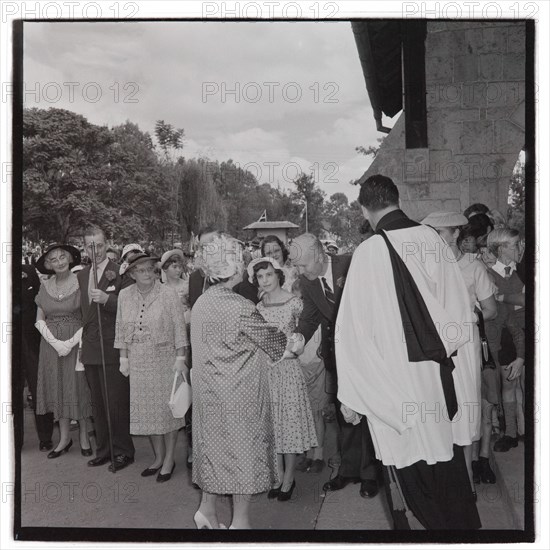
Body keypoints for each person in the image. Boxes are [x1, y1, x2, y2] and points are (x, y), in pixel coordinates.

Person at [335, 175, 481, 530]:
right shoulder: (432, 241)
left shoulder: (370, 251)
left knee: (407, 469)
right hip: (435, 374)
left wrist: (353, 395)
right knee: (443, 460)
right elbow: (461, 316)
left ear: (364, 208)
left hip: (392, 384)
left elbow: (353, 331)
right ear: (398, 200)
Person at [191, 234, 300, 529]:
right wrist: (297, 342)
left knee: (213, 451)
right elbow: (278, 346)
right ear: (232, 269)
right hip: (239, 394)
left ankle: (207, 510)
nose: (244, 267)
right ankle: (240, 523)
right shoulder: (240, 306)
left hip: (207, 394)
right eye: (240, 261)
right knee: (243, 456)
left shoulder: (201, 303)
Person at [290, 233, 379, 499]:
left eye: (304, 265)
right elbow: (310, 317)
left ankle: (371, 475)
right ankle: (348, 469)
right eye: (296, 266)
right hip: (339, 357)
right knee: (345, 414)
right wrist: (298, 338)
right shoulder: (308, 282)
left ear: (320, 256)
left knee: (368, 414)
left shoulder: (351, 264)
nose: (300, 271)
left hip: (369, 354)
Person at [422, 211, 499, 496]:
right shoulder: (426, 267)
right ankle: (441, 479)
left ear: (456, 234)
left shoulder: (473, 267)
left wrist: (471, 314)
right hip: (434, 346)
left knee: (465, 405)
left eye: (440, 233)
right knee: (438, 407)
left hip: (465, 346)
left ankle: (466, 478)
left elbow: (491, 310)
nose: (435, 240)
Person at [115, 253, 190, 481]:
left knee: (167, 411)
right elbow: (121, 327)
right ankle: (158, 457)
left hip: (164, 358)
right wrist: (123, 357)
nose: (147, 274)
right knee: (148, 413)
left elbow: (179, 327)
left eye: (150, 269)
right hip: (138, 359)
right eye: (141, 270)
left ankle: (169, 460)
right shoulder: (124, 295)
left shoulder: (167, 293)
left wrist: (180, 357)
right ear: (131, 274)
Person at [249, 257, 318, 500]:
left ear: (279, 275)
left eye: (268, 275)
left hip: (287, 373)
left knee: (288, 426)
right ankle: (277, 475)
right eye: (260, 276)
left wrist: (298, 348)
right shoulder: (257, 308)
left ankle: (289, 478)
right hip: (265, 373)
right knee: (272, 427)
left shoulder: (294, 303)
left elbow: (307, 329)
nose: (265, 280)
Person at [77, 226, 135, 472]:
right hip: (91, 346)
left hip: (112, 346)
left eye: (99, 245)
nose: (95, 250)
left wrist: (108, 300)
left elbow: (131, 305)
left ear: (107, 244)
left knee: (116, 401)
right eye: (90, 246)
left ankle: (123, 451)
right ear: (84, 247)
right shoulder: (81, 274)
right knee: (98, 402)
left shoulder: (120, 272)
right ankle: (104, 449)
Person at [33, 244, 93, 458]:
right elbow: (39, 318)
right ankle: (64, 439)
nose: (58, 262)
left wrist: (69, 343)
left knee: (79, 389)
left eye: (62, 257)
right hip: (50, 345)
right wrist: (56, 343)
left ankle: (85, 438)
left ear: (70, 259)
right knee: (58, 389)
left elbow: (89, 317)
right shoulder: (44, 285)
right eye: (53, 260)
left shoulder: (81, 282)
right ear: (48, 264)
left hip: (77, 342)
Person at [484, 228, 525, 453]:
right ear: (500, 249)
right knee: (508, 385)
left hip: (526, 331)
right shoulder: (490, 275)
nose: (519, 248)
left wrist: (505, 298)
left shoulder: (523, 271)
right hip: (508, 336)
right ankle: (510, 433)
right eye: (514, 245)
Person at [21, 263, 54, 451]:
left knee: (39, 387)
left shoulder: (28, 271)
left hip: (32, 341)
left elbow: (40, 302)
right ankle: (14, 440)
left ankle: (45, 437)